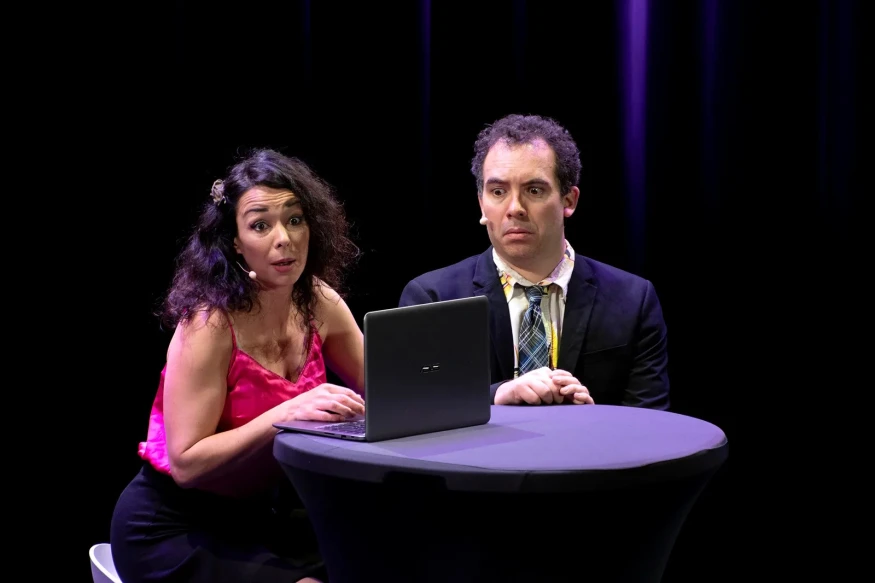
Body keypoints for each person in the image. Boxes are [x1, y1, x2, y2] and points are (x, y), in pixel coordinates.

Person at [110, 148, 366, 583]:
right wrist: (287, 413)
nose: (284, 239)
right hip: (175, 525)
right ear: (235, 242)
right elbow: (186, 464)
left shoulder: (320, 302)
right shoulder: (208, 324)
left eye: (295, 219)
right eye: (260, 225)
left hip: (266, 516)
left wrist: (478, 393)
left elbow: (388, 391)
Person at [399, 113, 670, 410]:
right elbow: (413, 407)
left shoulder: (633, 300)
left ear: (569, 201)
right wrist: (497, 396)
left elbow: (651, 422)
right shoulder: (433, 298)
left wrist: (594, 422)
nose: (515, 208)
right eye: (498, 192)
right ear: (482, 204)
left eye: (534, 190)